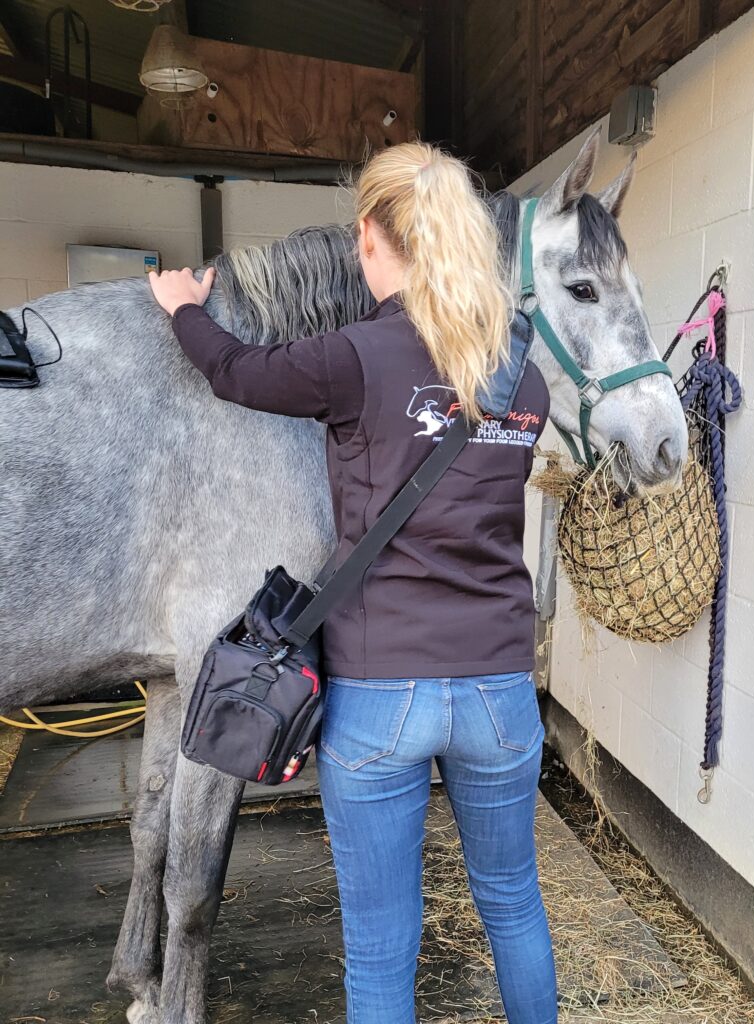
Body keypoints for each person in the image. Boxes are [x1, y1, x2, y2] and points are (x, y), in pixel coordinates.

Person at [149, 142, 557, 1024]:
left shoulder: (356, 355)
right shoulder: (526, 374)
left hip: (382, 694)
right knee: (515, 906)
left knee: (380, 946)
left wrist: (183, 307)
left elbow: (234, 371)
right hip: (497, 691)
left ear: (370, 237)